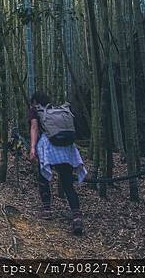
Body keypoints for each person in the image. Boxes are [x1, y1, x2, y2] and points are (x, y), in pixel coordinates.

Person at [28, 91, 86, 235]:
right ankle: (77, 216)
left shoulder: (36, 111)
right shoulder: (57, 110)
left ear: (35, 101)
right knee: (67, 183)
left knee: (43, 177)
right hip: (66, 149)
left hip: (48, 147)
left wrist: (32, 148)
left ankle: (47, 209)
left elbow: (34, 128)